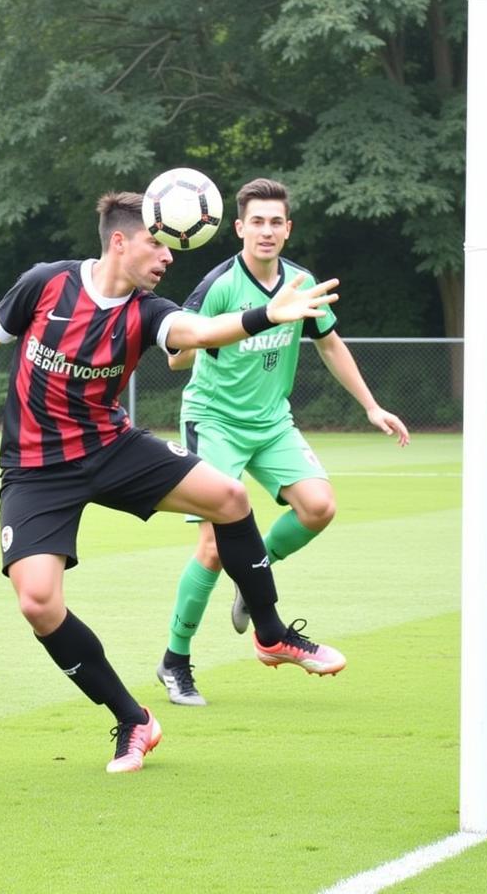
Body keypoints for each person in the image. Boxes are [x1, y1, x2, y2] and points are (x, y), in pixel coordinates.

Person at [0, 189, 344, 773]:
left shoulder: (149, 310)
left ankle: (271, 632)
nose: (168, 255)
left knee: (228, 497)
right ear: (120, 241)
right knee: (39, 603)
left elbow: (198, 333)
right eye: (157, 242)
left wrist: (262, 316)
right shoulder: (46, 284)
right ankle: (133, 720)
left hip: (112, 447)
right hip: (35, 468)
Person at [155, 177, 409, 707]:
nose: (267, 231)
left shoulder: (300, 282)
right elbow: (178, 348)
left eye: (276, 222)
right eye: (257, 222)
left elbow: (331, 345)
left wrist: (371, 405)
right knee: (211, 546)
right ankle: (175, 662)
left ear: (287, 230)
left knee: (319, 507)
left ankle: (255, 578)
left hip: (272, 424)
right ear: (239, 227)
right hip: (215, 422)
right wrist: (198, 344)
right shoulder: (221, 283)